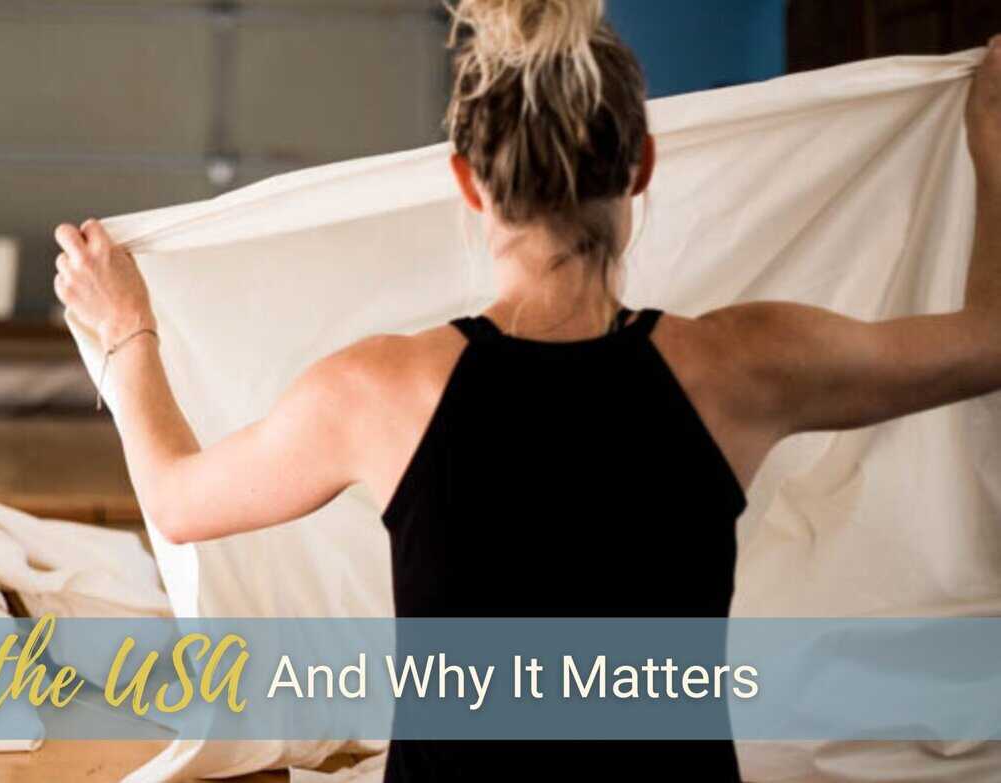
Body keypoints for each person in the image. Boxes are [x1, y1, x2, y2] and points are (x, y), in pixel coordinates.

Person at [52, 0, 1001, 778]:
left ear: (466, 182)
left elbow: (176, 499)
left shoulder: (382, 390)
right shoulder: (742, 365)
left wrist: (126, 327)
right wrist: (991, 152)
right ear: (640, 166)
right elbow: (988, 343)